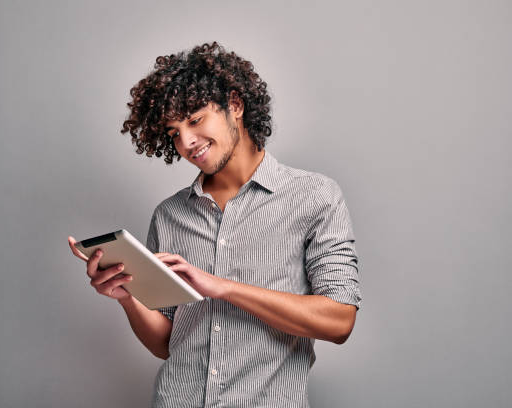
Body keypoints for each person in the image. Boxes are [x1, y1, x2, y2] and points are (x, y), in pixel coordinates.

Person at [68, 42, 361, 407]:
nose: (187, 142)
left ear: (235, 105)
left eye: (194, 120)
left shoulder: (315, 196)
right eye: (174, 132)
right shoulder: (169, 215)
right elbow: (166, 343)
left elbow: (339, 321)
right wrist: (127, 298)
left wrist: (223, 288)